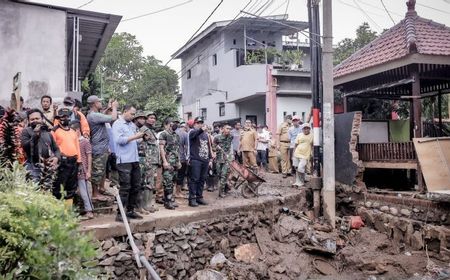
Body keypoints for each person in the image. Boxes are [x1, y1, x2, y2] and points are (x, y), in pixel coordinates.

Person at [112, 105, 144, 221]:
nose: (133, 116)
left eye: (134, 114)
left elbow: (134, 140)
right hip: (124, 160)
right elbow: (119, 140)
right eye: (132, 113)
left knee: (136, 186)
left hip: (134, 159)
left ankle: (130, 210)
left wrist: (141, 138)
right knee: (125, 187)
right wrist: (135, 136)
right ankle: (120, 213)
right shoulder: (117, 124)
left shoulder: (131, 125)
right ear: (125, 112)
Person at [87, 95, 118, 201]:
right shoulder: (94, 116)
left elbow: (102, 115)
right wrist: (114, 107)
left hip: (102, 147)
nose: (101, 103)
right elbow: (113, 118)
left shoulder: (94, 115)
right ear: (94, 103)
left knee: (102, 171)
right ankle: (95, 194)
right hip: (98, 148)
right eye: (99, 102)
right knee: (97, 171)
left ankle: (99, 190)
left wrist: (108, 108)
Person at [21, 108, 60, 183]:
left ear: (42, 119)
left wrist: (56, 158)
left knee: (47, 190)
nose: (35, 120)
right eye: (32, 119)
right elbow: (25, 147)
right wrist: (35, 135)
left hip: (47, 168)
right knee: (35, 190)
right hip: (33, 167)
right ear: (28, 121)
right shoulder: (26, 131)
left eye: (37, 118)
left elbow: (56, 149)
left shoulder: (48, 133)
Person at [52, 108, 81, 205]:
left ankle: (68, 212)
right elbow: (52, 148)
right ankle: (57, 210)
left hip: (73, 161)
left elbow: (77, 146)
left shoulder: (73, 131)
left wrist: (79, 161)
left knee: (71, 187)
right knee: (58, 186)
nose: (65, 118)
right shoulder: (54, 131)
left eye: (67, 116)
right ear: (59, 118)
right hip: (62, 162)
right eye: (62, 116)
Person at [137, 111, 160, 213]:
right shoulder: (143, 130)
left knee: (151, 183)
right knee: (146, 183)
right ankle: (145, 205)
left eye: (154, 118)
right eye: (150, 118)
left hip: (153, 160)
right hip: (147, 160)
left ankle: (149, 204)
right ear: (146, 119)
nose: (153, 120)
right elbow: (141, 145)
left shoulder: (151, 130)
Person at [71, 121, 94, 219]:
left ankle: (89, 210)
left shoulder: (84, 141)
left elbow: (89, 156)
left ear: (77, 130)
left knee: (84, 191)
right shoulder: (73, 141)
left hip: (82, 169)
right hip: (73, 169)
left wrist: (89, 171)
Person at [187, 117, 211, 207]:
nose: (200, 124)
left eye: (201, 123)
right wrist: (201, 130)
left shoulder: (205, 134)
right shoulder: (193, 132)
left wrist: (210, 159)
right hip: (196, 160)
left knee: (202, 179)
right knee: (194, 179)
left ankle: (199, 197)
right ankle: (192, 199)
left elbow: (208, 146)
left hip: (205, 160)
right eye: (198, 123)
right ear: (194, 124)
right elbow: (195, 135)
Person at [159, 117, 182, 210]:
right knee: (167, 181)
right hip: (168, 161)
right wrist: (164, 161)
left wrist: (179, 161)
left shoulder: (176, 135)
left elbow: (177, 149)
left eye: (176, 123)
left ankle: (170, 199)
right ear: (168, 124)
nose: (175, 124)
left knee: (173, 181)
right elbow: (161, 148)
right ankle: (167, 202)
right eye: (173, 123)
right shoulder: (164, 134)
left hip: (175, 162)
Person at [214, 123, 233, 198]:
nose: (229, 130)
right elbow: (213, 148)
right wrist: (217, 148)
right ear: (223, 129)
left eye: (230, 129)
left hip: (226, 159)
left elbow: (230, 146)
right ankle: (225, 187)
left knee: (224, 175)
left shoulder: (231, 137)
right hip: (219, 159)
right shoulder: (217, 138)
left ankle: (221, 192)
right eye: (227, 128)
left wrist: (231, 156)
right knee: (219, 175)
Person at [293, 123, 313, 187]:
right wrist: (293, 154)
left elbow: (313, 146)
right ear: (302, 129)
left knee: (300, 167)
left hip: (305, 155)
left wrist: (312, 154)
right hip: (297, 153)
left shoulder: (312, 136)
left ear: (309, 129)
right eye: (304, 128)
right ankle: (297, 181)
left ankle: (301, 182)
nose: (306, 130)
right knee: (296, 167)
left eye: (307, 128)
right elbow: (295, 145)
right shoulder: (299, 135)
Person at [175, 121, 189, 198]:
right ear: (185, 127)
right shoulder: (184, 134)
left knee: (174, 176)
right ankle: (178, 192)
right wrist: (187, 158)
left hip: (173, 158)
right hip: (181, 157)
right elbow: (186, 147)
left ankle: (177, 192)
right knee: (180, 175)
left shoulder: (173, 132)